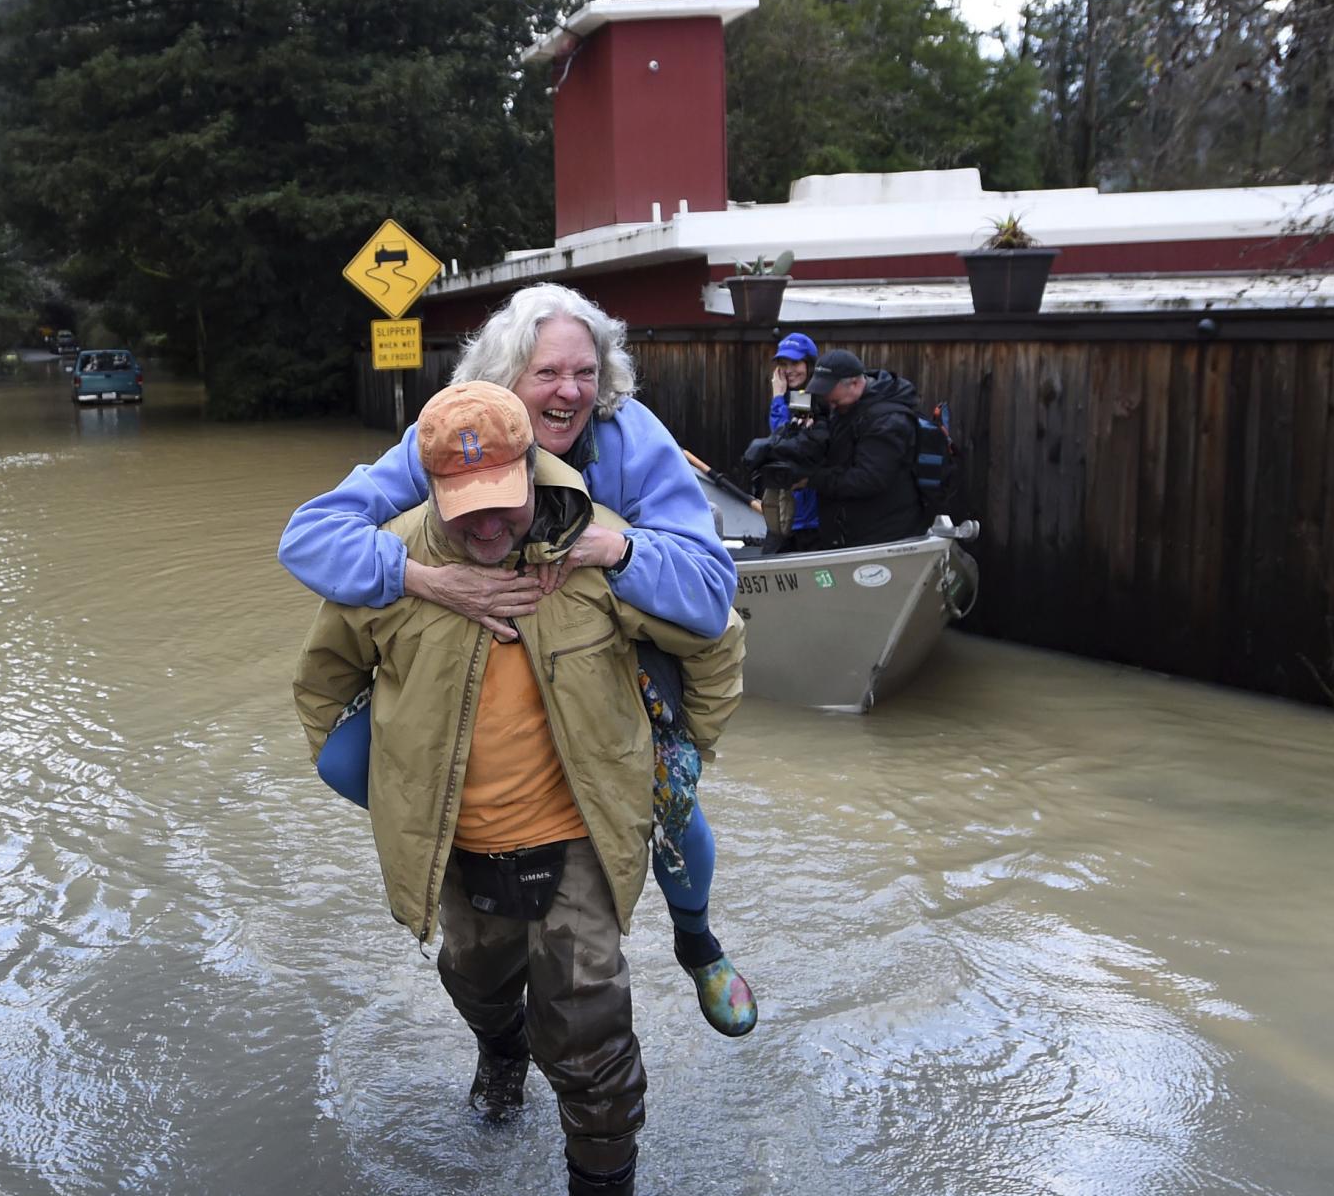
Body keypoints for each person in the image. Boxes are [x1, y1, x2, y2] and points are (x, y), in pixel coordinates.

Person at [292, 381, 744, 1196]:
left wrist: (680, 754)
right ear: (431, 488)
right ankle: (500, 1051)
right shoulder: (398, 562)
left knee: (587, 1029)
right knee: (476, 976)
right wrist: (391, 787)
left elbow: (714, 637)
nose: (488, 525)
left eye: (504, 500)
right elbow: (322, 683)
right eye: (465, 510)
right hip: (460, 844)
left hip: (575, 837)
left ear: (531, 470)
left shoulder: (596, 547)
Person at [279, 284, 755, 1039]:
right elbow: (308, 537)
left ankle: (696, 940)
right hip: (485, 655)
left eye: (586, 372)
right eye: (547, 374)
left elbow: (711, 591)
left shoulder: (629, 437)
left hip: (611, 651)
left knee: (668, 798)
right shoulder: (456, 433)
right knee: (349, 761)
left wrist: (620, 547)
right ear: (505, 377)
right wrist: (425, 578)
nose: (569, 391)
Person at [745, 347, 923, 549]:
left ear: (854, 384)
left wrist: (811, 480)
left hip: (884, 535)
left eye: (833, 398)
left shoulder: (888, 421)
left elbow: (868, 479)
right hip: (847, 528)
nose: (830, 403)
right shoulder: (846, 405)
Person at [765, 332, 822, 552]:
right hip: (790, 508)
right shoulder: (794, 397)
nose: (789, 370)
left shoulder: (808, 398)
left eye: (795, 363)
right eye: (783, 364)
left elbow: (784, 440)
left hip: (809, 513)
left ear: (809, 364)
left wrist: (777, 398)